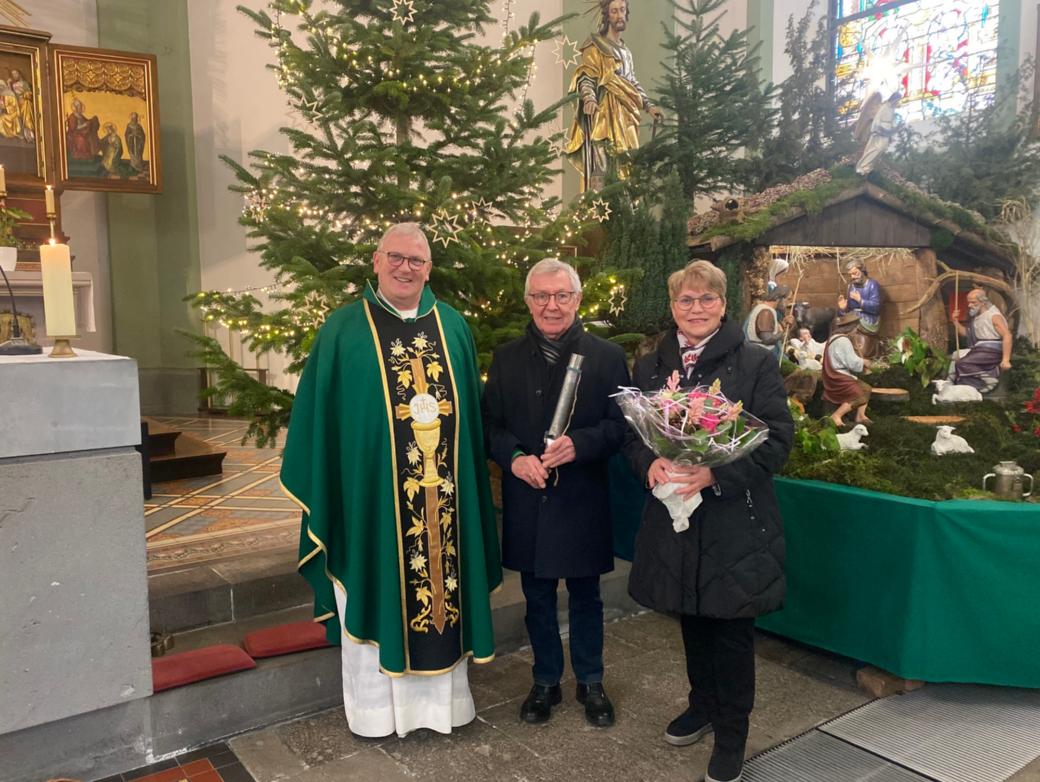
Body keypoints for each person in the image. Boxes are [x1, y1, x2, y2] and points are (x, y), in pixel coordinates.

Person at [280, 222, 501, 738]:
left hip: (444, 499)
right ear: (376, 261)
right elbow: (322, 427)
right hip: (372, 506)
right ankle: (376, 714)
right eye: (396, 258)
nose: (406, 268)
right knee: (379, 584)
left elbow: (470, 424)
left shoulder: (454, 327)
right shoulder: (343, 330)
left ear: (429, 269)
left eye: (417, 261)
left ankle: (445, 708)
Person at [623, 260, 793, 782]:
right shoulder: (652, 365)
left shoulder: (755, 362)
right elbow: (633, 434)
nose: (695, 309)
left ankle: (732, 733)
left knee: (732, 630)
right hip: (677, 518)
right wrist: (648, 462)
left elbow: (777, 441)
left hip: (733, 522)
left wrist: (713, 477)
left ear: (724, 304)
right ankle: (701, 704)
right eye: (685, 300)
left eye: (706, 299)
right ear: (672, 307)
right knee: (691, 618)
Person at [482, 258, 630, 727]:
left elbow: (624, 426)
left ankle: (590, 679)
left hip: (582, 498)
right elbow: (489, 426)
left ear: (578, 300)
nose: (552, 305)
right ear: (528, 301)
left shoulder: (606, 357)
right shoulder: (505, 359)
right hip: (530, 496)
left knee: (587, 597)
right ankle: (545, 679)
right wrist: (514, 458)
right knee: (537, 597)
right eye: (541, 296)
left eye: (561, 295)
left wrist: (581, 445)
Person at [564, 0, 664, 191]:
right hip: (604, 115)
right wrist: (590, 98)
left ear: (627, 13)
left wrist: (649, 106)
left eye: (622, 10)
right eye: (614, 11)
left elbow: (631, 83)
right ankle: (600, 210)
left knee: (628, 163)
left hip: (626, 117)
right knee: (602, 163)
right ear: (607, 15)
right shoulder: (596, 45)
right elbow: (586, 76)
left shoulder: (626, 52)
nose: (619, 15)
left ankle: (626, 210)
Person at [949, 287, 1012, 391]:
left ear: (983, 302)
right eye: (969, 302)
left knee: (962, 363)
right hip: (979, 349)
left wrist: (1006, 359)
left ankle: (988, 380)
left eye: (973, 302)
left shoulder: (994, 316)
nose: (970, 305)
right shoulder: (978, 317)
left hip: (991, 351)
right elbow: (966, 333)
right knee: (956, 356)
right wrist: (955, 321)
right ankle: (956, 383)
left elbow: (1007, 335)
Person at [823, 313, 873, 427]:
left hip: (837, 373)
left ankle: (860, 416)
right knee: (859, 396)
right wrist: (864, 362)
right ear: (851, 327)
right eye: (856, 328)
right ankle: (836, 415)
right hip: (837, 376)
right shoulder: (843, 341)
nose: (856, 331)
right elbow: (851, 362)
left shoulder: (835, 338)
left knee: (867, 388)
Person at [836, 259, 882, 357]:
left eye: (855, 273)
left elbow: (876, 307)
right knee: (836, 325)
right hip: (853, 316)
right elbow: (850, 309)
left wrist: (860, 301)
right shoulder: (851, 286)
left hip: (869, 318)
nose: (853, 277)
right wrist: (843, 308)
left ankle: (857, 356)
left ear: (862, 271)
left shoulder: (872, 285)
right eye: (850, 275)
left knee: (853, 330)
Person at [855, 90, 900, 175]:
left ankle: (868, 166)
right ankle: (863, 166)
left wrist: (894, 129)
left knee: (881, 149)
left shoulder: (891, 108)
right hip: (878, 131)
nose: (897, 102)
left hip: (885, 132)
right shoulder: (884, 107)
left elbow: (892, 121)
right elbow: (877, 119)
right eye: (897, 100)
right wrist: (877, 129)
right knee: (876, 148)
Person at [744, 285, 793, 356]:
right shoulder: (766, 312)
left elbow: (770, 331)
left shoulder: (768, 310)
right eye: (788, 299)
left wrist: (783, 324)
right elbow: (767, 339)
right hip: (760, 356)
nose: (788, 304)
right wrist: (782, 334)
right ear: (780, 298)